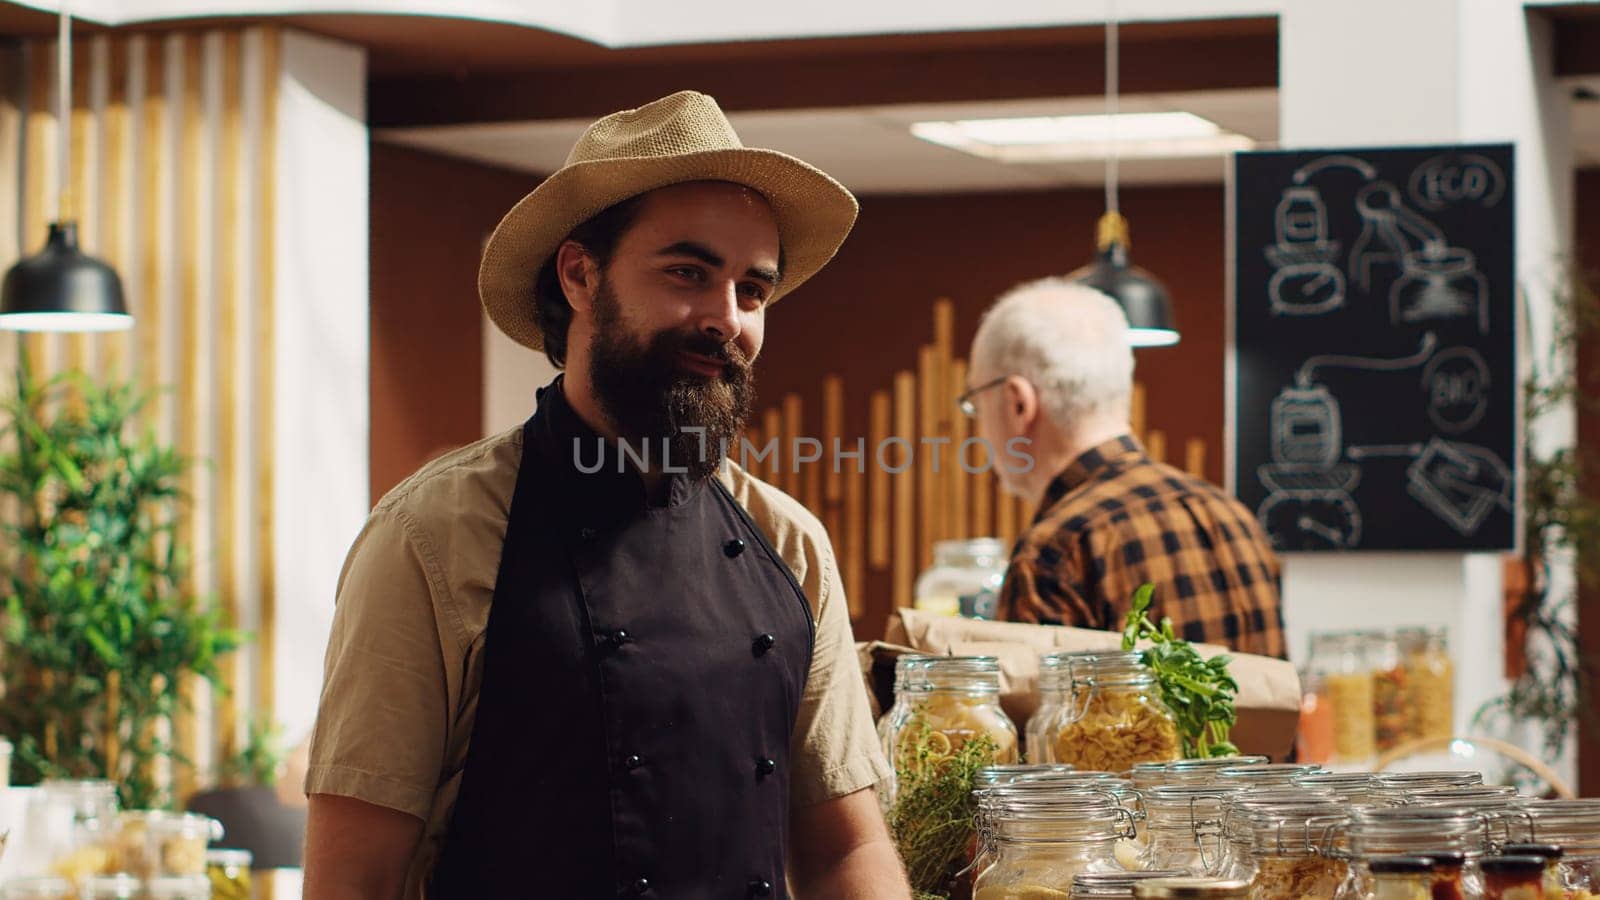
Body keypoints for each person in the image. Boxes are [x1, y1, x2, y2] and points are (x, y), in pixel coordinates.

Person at [302, 91, 909, 899]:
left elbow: (841, 848)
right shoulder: (431, 536)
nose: (726, 319)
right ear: (581, 276)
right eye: (689, 273)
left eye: (752, 291)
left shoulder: (787, 542)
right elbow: (356, 876)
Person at [962, 277, 1286, 659]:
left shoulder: (1056, 552)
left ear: (1018, 405)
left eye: (975, 404)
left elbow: (1039, 718)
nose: (978, 425)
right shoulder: (1233, 516)